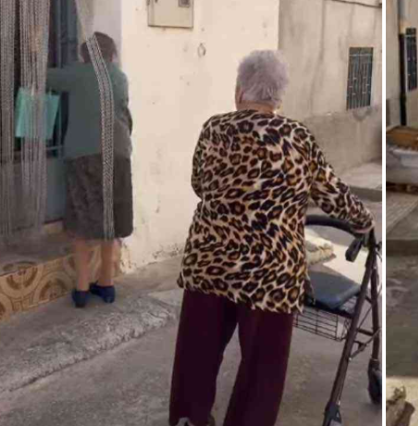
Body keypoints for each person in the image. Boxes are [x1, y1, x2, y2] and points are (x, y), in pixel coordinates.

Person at [168, 50, 374, 426]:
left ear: (239, 91)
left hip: (209, 264)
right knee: (262, 368)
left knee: (196, 356)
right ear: (278, 98)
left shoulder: (214, 129)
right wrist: (363, 222)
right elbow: (333, 194)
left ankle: (188, 419)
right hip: (271, 274)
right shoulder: (298, 138)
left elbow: (200, 185)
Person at [46, 32, 133, 308]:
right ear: (111, 54)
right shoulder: (119, 76)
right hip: (118, 154)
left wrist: (35, 49)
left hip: (84, 155)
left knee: (81, 218)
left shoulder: (78, 74)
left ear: (85, 56)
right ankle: (106, 284)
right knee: (109, 218)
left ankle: (82, 288)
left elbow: (45, 77)